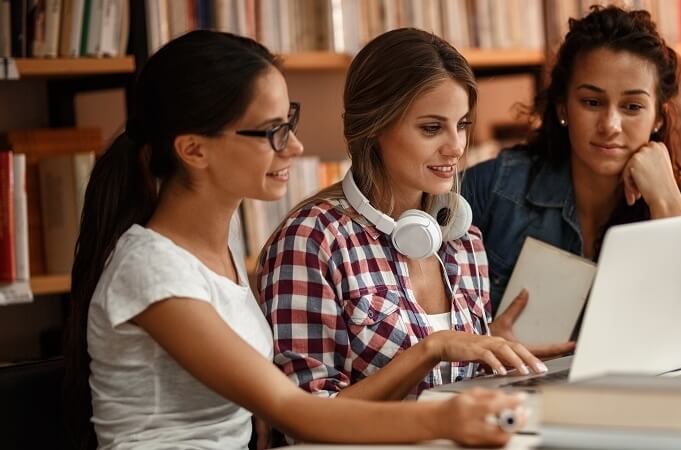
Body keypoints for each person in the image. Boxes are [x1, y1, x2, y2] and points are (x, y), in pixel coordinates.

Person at [63, 30, 523, 450]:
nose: (295, 146)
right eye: (270, 132)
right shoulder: (151, 269)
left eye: (290, 121)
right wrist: (444, 410)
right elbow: (292, 411)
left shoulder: (215, 252)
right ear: (193, 150)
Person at [256, 27, 544, 408]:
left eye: (461, 125)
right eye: (431, 128)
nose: (456, 146)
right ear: (375, 126)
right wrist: (429, 351)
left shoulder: (464, 241)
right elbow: (302, 418)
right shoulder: (313, 239)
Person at [462, 6, 681, 362]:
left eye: (631, 107)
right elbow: (422, 321)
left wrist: (668, 204)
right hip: (507, 402)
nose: (610, 124)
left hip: (631, 403)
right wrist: (480, 342)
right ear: (563, 106)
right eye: (592, 102)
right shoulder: (492, 190)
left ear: (658, 117)